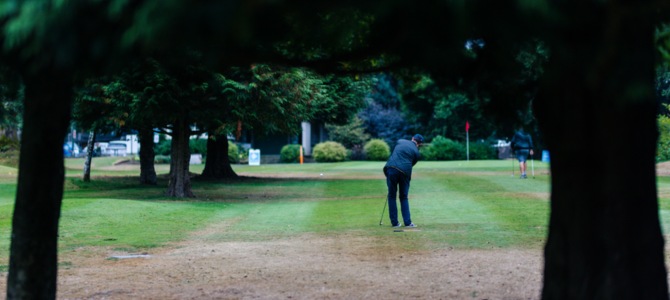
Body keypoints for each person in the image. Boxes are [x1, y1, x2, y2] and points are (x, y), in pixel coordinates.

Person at [383, 134, 422, 227]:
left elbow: (393, 154)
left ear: (412, 138)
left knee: (392, 196)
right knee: (403, 197)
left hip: (390, 168)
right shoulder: (416, 152)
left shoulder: (400, 141)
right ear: (419, 144)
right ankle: (407, 222)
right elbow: (411, 164)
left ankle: (394, 223)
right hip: (404, 171)